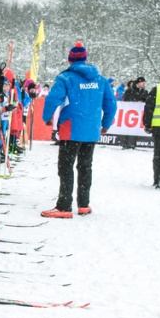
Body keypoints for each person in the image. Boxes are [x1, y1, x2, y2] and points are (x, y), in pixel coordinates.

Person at [40, 41, 116, 218]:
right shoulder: (100, 79)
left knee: (66, 167)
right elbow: (111, 104)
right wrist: (105, 124)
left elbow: (53, 99)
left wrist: (47, 118)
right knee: (85, 166)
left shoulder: (66, 78)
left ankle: (64, 207)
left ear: (70, 60)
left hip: (70, 129)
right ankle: (83, 204)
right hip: (91, 131)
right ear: (86, 58)